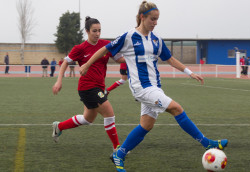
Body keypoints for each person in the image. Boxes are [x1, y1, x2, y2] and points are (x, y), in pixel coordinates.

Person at [79, 2, 228, 171]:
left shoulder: (156, 40)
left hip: (155, 87)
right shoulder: (129, 37)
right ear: (142, 17)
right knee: (176, 108)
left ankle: (119, 154)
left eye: (157, 19)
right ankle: (207, 143)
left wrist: (189, 72)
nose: (155, 22)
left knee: (146, 125)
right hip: (141, 88)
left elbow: (170, 59)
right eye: (152, 19)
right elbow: (105, 50)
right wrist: (87, 64)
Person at [52, 16, 124, 152]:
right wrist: (59, 80)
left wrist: (135, 58)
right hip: (87, 87)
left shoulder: (105, 45)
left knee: (87, 119)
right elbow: (65, 62)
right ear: (87, 31)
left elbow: (119, 58)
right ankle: (117, 148)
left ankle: (59, 126)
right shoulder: (80, 48)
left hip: (99, 87)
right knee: (109, 113)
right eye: (94, 31)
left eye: (99, 31)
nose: (97, 34)